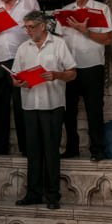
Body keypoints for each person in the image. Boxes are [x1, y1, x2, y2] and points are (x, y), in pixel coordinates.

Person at [13, 11, 77, 210]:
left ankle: (52, 195)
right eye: (26, 27)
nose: (28, 31)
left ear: (43, 26)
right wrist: (18, 82)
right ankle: (33, 193)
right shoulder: (23, 48)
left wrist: (57, 75)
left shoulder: (58, 44)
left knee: (51, 151)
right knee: (33, 151)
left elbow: (73, 73)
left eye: (31, 27)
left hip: (52, 105)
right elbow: (14, 77)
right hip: (30, 104)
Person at [58, 0, 112, 161]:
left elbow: (108, 39)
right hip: (70, 67)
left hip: (92, 66)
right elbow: (59, 41)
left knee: (94, 109)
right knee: (69, 110)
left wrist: (86, 32)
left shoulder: (101, 9)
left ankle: (97, 150)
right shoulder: (66, 11)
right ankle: (72, 148)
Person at [0, 0, 40, 156]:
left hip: (21, 58)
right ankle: (0, 147)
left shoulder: (29, 2)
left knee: (21, 103)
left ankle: (26, 147)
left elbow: (38, 27)